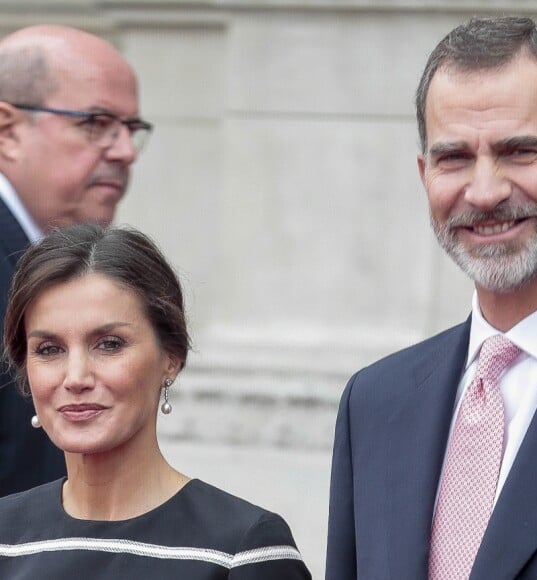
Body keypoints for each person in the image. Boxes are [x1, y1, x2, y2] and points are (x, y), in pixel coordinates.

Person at [326, 16, 537, 580]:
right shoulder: (375, 403)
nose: (484, 191)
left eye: (520, 152)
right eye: (454, 158)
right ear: (424, 175)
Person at [0, 223, 311, 580]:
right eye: (50, 349)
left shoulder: (243, 552)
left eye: (110, 344)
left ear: (171, 357)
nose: (76, 378)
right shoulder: (6, 538)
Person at [0, 24, 151, 496]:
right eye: (95, 124)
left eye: (131, 129)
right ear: (7, 132)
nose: (125, 152)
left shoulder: (43, 258)